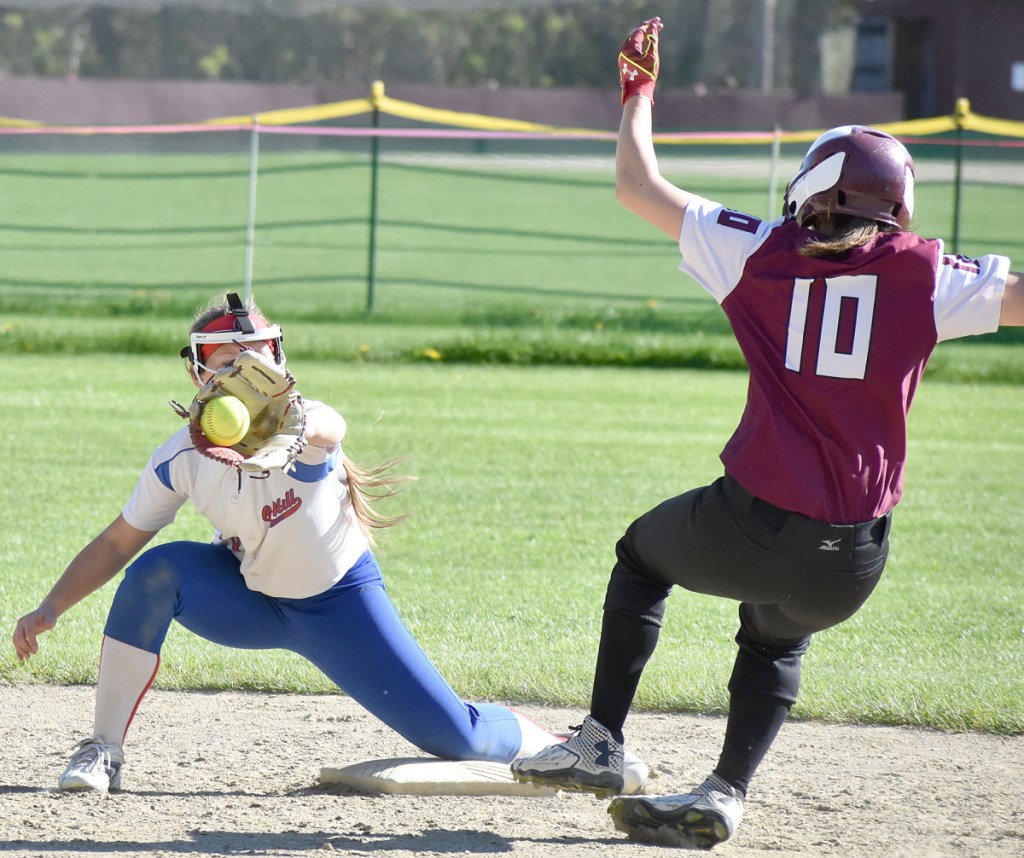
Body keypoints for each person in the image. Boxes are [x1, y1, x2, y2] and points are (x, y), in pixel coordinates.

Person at [512, 16, 1024, 849]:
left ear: (815, 188)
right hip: (856, 562)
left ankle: (600, 742)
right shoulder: (930, 275)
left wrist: (638, 92)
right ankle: (726, 792)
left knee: (641, 560)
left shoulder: (759, 252)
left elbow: (637, 186)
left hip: (751, 523)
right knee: (775, 634)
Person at [11, 292, 568, 793]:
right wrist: (51, 605)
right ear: (198, 375)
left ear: (279, 364)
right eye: (227, 363)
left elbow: (332, 425)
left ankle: (551, 744)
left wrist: (294, 428)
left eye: (255, 360)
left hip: (339, 606)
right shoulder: (181, 456)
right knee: (158, 570)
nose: (242, 376)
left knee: (458, 738)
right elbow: (116, 543)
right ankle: (102, 747)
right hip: (248, 602)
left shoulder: (301, 428)